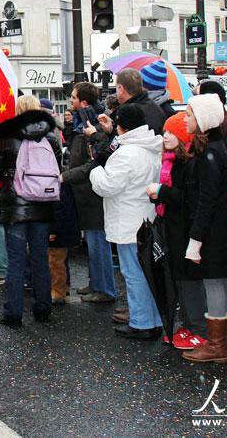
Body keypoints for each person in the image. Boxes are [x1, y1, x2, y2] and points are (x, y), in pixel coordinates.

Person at [89, 103, 164, 339]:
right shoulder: (151, 147)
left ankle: (142, 322)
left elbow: (107, 186)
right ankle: (153, 319)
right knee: (147, 272)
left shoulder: (126, 153)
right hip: (145, 218)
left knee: (134, 274)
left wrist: (96, 170)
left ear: (120, 127)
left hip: (128, 221)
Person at [178, 95, 227, 363]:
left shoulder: (208, 154)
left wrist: (196, 239)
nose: (185, 119)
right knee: (224, 284)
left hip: (213, 232)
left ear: (203, 120)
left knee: (215, 283)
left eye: (190, 115)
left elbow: (207, 200)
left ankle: (217, 345)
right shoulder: (217, 148)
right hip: (223, 228)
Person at [0, 95, 58, 328]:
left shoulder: (7, 137)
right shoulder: (51, 137)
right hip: (43, 204)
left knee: (16, 261)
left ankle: (13, 314)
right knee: (40, 258)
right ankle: (43, 308)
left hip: (15, 206)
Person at [146, 112, 207, 349]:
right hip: (171, 226)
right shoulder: (171, 159)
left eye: (171, 132)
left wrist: (160, 192)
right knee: (178, 278)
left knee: (188, 279)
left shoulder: (188, 162)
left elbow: (186, 198)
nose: (165, 135)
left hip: (184, 229)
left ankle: (197, 328)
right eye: (165, 131)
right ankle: (187, 324)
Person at [61, 82, 117, 304]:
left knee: (98, 243)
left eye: (73, 97)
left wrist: (67, 176)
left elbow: (94, 162)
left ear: (83, 102)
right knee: (92, 242)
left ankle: (105, 289)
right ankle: (96, 283)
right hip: (84, 191)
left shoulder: (95, 126)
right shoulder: (81, 123)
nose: (70, 101)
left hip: (92, 193)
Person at [102, 68, 167, 135]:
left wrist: (110, 132)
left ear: (120, 89)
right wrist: (110, 130)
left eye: (117, 88)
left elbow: (124, 141)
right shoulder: (155, 107)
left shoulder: (130, 113)